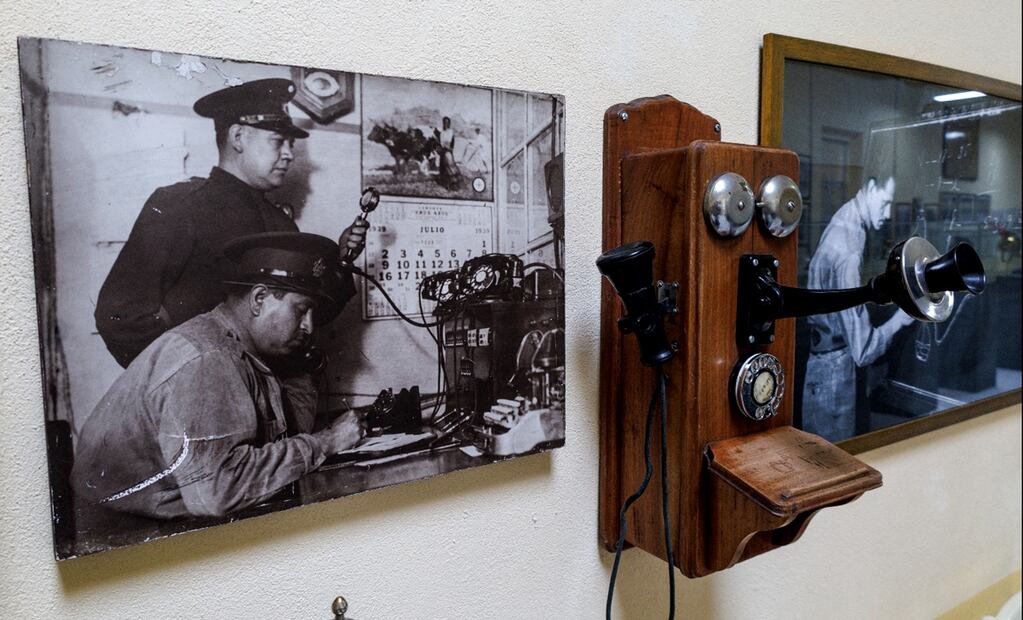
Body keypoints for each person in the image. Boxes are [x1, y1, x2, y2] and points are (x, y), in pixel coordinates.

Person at [72, 232, 365, 519]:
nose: (309, 328)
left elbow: (275, 444)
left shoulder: (242, 351)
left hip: (147, 517)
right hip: (115, 532)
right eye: (302, 311)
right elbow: (218, 492)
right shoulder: (207, 358)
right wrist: (327, 442)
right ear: (259, 299)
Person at [95, 78, 367, 367]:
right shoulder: (180, 206)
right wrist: (186, 373)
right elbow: (121, 316)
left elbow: (302, 316)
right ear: (237, 137)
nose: (289, 154)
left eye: (290, 144)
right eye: (278, 142)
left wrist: (340, 260)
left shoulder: (279, 223)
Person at [802, 176, 915, 441]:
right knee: (832, 464)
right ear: (870, 189)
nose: (888, 214)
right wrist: (901, 320)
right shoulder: (849, 249)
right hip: (832, 376)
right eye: (885, 202)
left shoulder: (845, 217)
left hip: (821, 366)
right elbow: (863, 351)